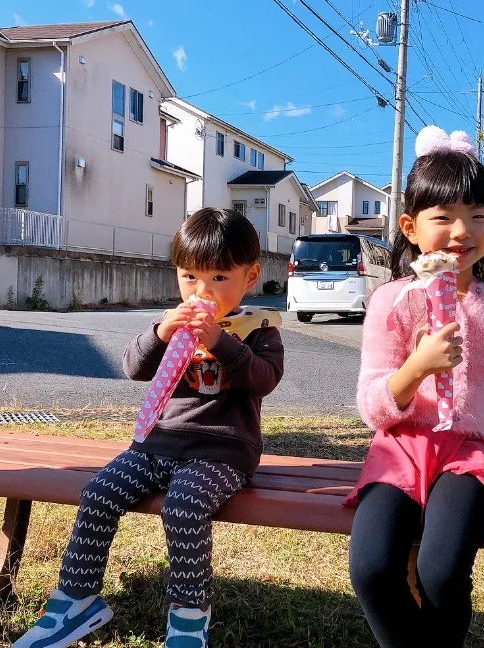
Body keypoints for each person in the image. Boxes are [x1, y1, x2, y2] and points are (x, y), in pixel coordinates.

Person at [15, 208, 285, 648]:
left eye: (219, 278)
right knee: (98, 494)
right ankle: (77, 601)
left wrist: (221, 343)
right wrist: (160, 334)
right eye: (190, 277)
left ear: (250, 276)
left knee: (183, 507)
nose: (203, 290)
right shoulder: (170, 324)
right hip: (156, 444)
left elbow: (264, 380)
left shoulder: (258, 330)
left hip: (220, 451)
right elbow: (133, 368)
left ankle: (189, 616)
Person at [344, 126, 484, 648]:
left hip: (469, 456)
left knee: (440, 572)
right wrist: (415, 367)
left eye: (477, 216)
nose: (462, 231)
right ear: (410, 228)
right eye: (443, 217)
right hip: (397, 451)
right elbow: (372, 406)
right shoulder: (392, 301)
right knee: (371, 568)